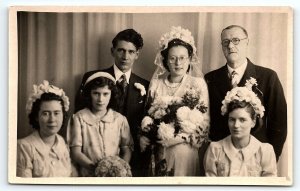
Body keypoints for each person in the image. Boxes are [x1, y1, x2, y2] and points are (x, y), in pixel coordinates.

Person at [204, 25, 287, 161]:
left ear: (247, 42)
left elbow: (279, 124)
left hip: (256, 157)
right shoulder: (210, 79)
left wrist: (271, 157)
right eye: (225, 42)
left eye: (236, 40)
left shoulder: (268, 77)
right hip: (221, 157)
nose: (230, 46)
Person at [75, 29, 149, 176]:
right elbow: (80, 114)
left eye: (131, 52)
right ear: (112, 51)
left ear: (137, 55)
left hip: (133, 159)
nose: (125, 56)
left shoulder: (145, 85)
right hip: (95, 155)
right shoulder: (93, 78)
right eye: (121, 50)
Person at [140, 26, 210, 176]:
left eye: (182, 58)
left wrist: (175, 140)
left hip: (185, 149)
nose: (178, 63)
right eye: (172, 58)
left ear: (190, 59)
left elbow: (203, 122)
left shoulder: (197, 84)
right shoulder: (156, 83)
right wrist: (151, 131)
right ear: (165, 60)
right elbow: (149, 114)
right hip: (159, 148)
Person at [204, 82, 277, 176]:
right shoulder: (215, 149)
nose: (236, 125)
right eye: (232, 119)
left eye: (242, 120)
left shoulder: (264, 151)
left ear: (253, 121)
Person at [67, 72, 133, 177]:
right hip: (88, 176)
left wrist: (120, 168)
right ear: (89, 94)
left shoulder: (119, 120)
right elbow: (76, 152)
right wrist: (97, 169)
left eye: (105, 94)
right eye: (96, 93)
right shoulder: (79, 118)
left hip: (115, 177)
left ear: (112, 94)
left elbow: (127, 149)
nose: (100, 99)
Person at [17, 80, 73, 177]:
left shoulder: (62, 142)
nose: (52, 119)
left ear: (63, 115)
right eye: (45, 113)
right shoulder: (24, 147)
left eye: (56, 113)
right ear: (36, 117)